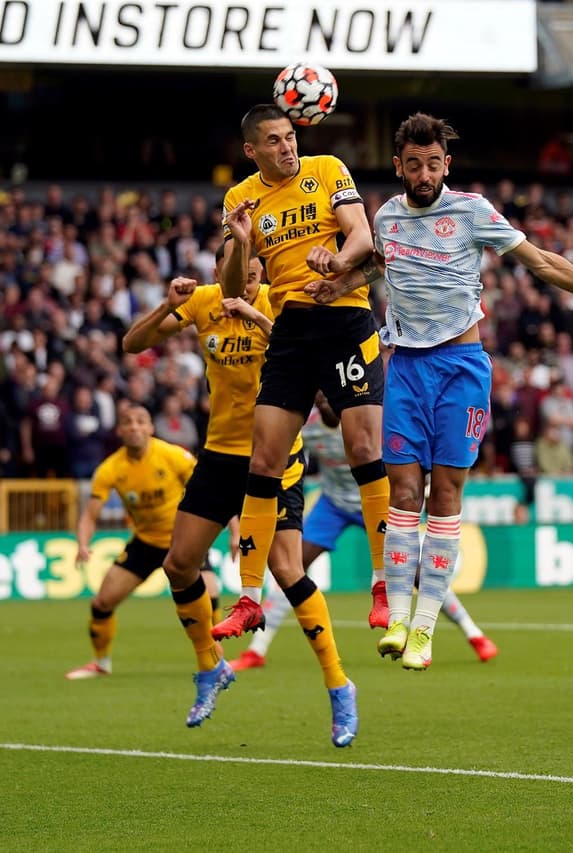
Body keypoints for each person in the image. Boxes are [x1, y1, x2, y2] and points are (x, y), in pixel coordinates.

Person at [306, 112, 573, 670]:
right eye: (413, 164)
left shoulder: (471, 212)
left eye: (433, 163)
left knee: (445, 495)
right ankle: (396, 617)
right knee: (401, 492)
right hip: (408, 367)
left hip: (462, 366)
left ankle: (423, 630)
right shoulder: (386, 217)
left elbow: (540, 262)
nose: (424, 173)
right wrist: (335, 285)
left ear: (447, 163)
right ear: (399, 166)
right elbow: (371, 271)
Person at [122, 245, 355, 745]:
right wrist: (166, 306)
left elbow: (309, 360)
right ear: (217, 273)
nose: (245, 284)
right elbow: (131, 343)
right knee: (179, 565)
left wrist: (253, 312)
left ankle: (338, 684)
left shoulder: (276, 301)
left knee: (287, 571)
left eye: (252, 276)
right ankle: (211, 666)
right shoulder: (202, 301)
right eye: (236, 276)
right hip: (220, 456)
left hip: (275, 457)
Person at [216, 105, 388, 736]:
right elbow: (235, 287)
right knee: (264, 459)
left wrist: (338, 267)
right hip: (290, 328)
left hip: (344, 316)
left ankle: (382, 583)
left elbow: (363, 236)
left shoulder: (326, 168)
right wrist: (237, 239)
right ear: (251, 150)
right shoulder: (240, 197)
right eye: (274, 142)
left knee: (362, 441)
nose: (287, 149)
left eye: (290, 138)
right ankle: (248, 597)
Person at [232, 396, 499, 671]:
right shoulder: (308, 427)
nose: (324, 401)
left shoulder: (365, 421)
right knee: (291, 568)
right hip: (332, 504)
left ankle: (473, 633)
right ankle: (257, 650)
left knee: (416, 573)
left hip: (373, 503)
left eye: (328, 395)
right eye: (320, 396)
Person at [64, 406, 198, 680]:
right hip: (145, 543)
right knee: (102, 603)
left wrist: (233, 530)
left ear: (150, 428)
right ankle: (101, 663)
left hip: (182, 540)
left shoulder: (173, 456)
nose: (134, 427)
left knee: (210, 594)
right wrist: (82, 543)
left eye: (140, 422)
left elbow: (212, 494)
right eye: (128, 422)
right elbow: (90, 515)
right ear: (120, 431)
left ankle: (213, 659)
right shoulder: (110, 469)